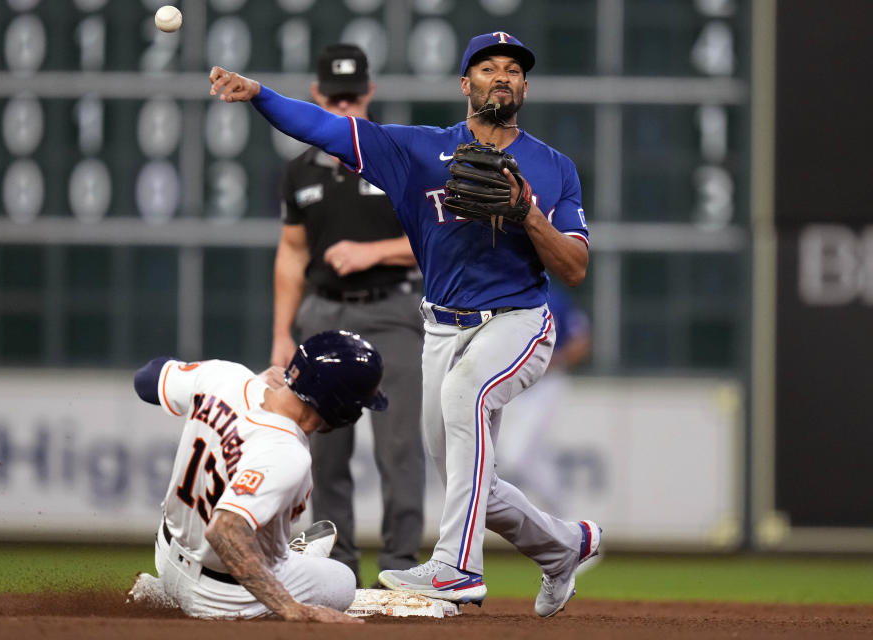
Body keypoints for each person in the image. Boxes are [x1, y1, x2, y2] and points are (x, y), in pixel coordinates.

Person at [208, 31, 600, 617]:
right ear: (466, 85)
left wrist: (528, 214)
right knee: (472, 483)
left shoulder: (554, 167)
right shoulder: (417, 151)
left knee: (467, 395)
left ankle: (457, 567)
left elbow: (573, 266)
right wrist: (260, 94)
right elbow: (325, 128)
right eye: (488, 67)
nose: (502, 76)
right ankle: (565, 547)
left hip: (519, 320)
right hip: (441, 327)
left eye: (514, 69)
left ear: (524, 86)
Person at [271, 43, 425, 588]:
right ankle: (335, 572)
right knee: (324, 452)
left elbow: (437, 238)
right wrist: (280, 337)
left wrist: (373, 251)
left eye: (352, 97)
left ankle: (402, 571)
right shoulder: (299, 172)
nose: (343, 108)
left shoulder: (397, 156)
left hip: (391, 309)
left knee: (399, 447)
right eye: (333, 98)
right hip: (323, 315)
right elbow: (291, 254)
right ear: (316, 96)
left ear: (369, 94)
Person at [129, 330, 389, 622]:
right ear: (341, 408)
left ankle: (170, 588)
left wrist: (248, 382)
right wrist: (292, 608)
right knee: (342, 581)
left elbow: (145, 380)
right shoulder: (286, 452)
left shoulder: (224, 377)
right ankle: (279, 560)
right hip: (222, 598)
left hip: (167, 552)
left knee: (255, 522)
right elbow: (224, 532)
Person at [496, 282, 591, 513]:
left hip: (547, 384)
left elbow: (582, 342)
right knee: (524, 455)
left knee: (518, 456)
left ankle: (563, 520)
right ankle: (565, 524)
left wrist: (551, 362)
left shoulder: (555, 298)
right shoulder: (504, 296)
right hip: (513, 384)